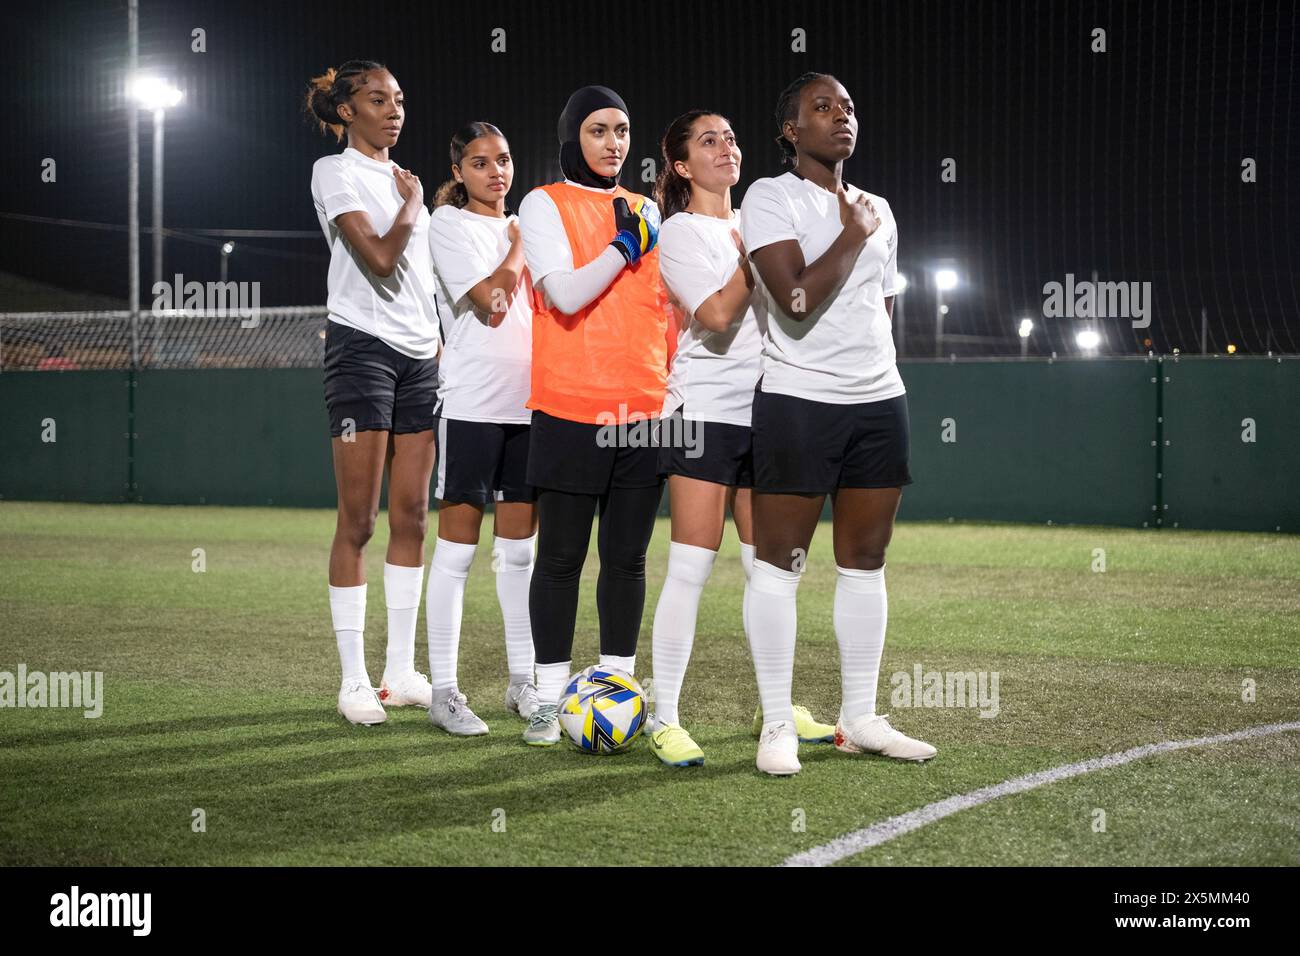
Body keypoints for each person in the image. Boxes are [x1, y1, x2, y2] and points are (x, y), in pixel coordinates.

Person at [740, 72, 937, 774]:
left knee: (866, 562)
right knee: (780, 565)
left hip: (879, 401)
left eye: (848, 106)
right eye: (821, 108)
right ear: (791, 129)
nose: (840, 117)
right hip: (798, 401)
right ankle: (776, 726)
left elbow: (880, 308)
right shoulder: (769, 197)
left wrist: (872, 373)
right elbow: (793, 298)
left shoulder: (879, 206)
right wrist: (850, 235)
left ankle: (859, 717)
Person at [646, 109, 835, 767]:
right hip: (703, 410)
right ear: (679, 164)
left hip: (771, 411)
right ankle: (663, 716)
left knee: (770, 571)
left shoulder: (761, 224)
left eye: (731, 136)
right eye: (708, 140)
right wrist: (762, 249)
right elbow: (719, 315)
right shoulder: (678, 232)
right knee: (693, 566)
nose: (725, 147)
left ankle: (777, 712)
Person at [516, 85, 674, 746]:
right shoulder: (542, 203)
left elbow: (666, 313)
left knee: (628, 558)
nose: (614, 143)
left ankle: (616, 692)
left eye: (623, 131)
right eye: (599, 130)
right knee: (559, 558)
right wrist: (624, 245)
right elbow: (568, 295)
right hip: (571, 403)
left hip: (644, 407)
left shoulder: (646, 209)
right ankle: (549, 701)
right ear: (572, 137)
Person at [306, 60, 440, 725]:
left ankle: (400, 671)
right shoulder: (336, 173)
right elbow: (381, 257)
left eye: (400, 98)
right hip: (361, 352)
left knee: (413, 516)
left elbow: (420, 278)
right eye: (378, 99)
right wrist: (415, 204)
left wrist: (437, 339)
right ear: (347, 111)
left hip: (420, 358)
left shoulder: (400, 175)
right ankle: (354, 681)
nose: (394, 109)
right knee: (358, 520)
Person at [424, 122, 540, 734]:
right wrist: (520, 241)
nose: (496, 171)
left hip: (531, 408)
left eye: (504, 159)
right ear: (460, 172)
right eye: (480, 163)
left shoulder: (529, 224)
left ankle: (523, 682)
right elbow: (493, 301)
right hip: (472, 406)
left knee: (518, 556)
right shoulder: (449, 225)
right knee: (456, 554)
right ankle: (444, 690)